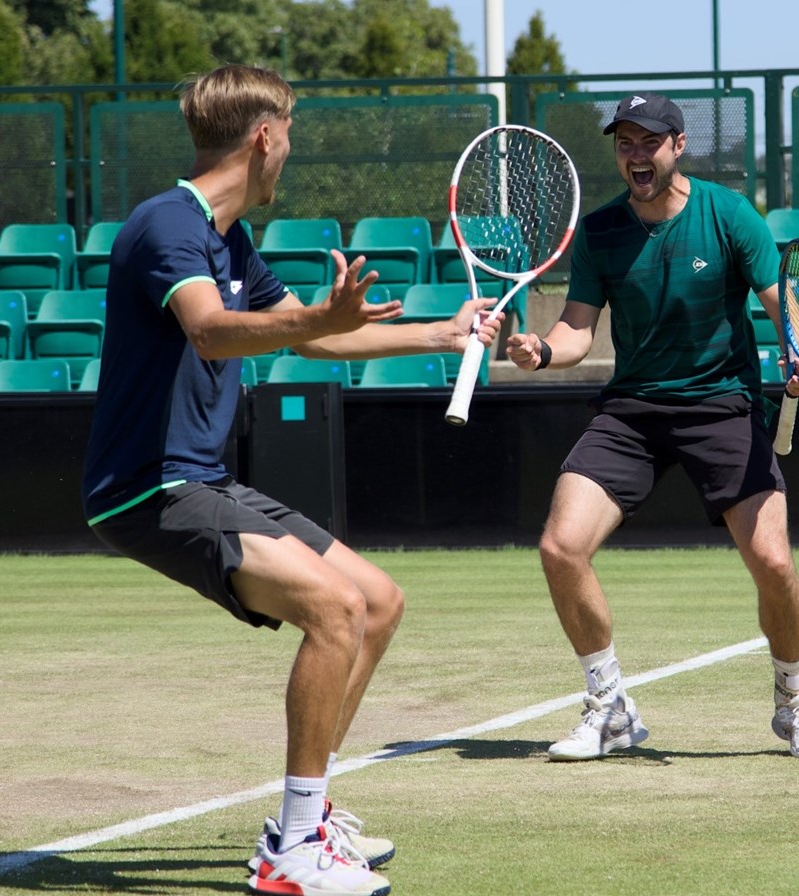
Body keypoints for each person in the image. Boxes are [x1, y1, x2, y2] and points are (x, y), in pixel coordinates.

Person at [81, 63, 500, 896]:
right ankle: (292, 856)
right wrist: (313, 316)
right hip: (147, 487)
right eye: (291, 136)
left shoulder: (230, 238)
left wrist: (439, 336)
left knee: (376, 601)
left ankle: (306, 818)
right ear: (265, 137)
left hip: (201, 476)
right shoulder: (168, 224)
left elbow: (311, 341)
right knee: (333, 609)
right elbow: (211, 332)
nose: (290, 153)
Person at [504, 93, 799, 763]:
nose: (635, 154)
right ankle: (609, 709)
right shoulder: (602, 232)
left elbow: (784, 306)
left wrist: (798, 357)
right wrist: (538, 351)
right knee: (560, 547)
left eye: (648, 141)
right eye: (624, 142)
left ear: (677, 146)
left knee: (773, 561)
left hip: (724, 404)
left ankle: (796, 701)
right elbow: (576, 329)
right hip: (634, 412)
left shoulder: (730, 215)